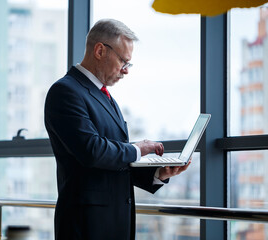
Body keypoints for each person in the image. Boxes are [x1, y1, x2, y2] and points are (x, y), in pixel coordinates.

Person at [44, 19, 190, 240]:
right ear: (100, 50)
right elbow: (92, 151)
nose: (126, 71)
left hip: (115, 224)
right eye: (123, 61)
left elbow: (114, 163)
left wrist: (158, 174)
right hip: (85, 226)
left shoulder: (108, 98)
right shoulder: (65, 92)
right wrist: (138, 149)